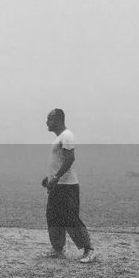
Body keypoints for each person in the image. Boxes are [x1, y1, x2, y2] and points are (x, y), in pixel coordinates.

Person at [43, 109, 96, 263]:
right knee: (53, 216)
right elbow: (58, 161)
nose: (46, 122)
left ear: (58, 120)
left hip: (67, 186)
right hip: (57, 186)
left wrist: (57, 177)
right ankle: (58, 249)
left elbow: (70, 159)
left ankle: (89, 249)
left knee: (70, 218)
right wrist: (49, 179)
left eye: (49, 119)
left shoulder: (67, 136)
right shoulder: (59, 138)